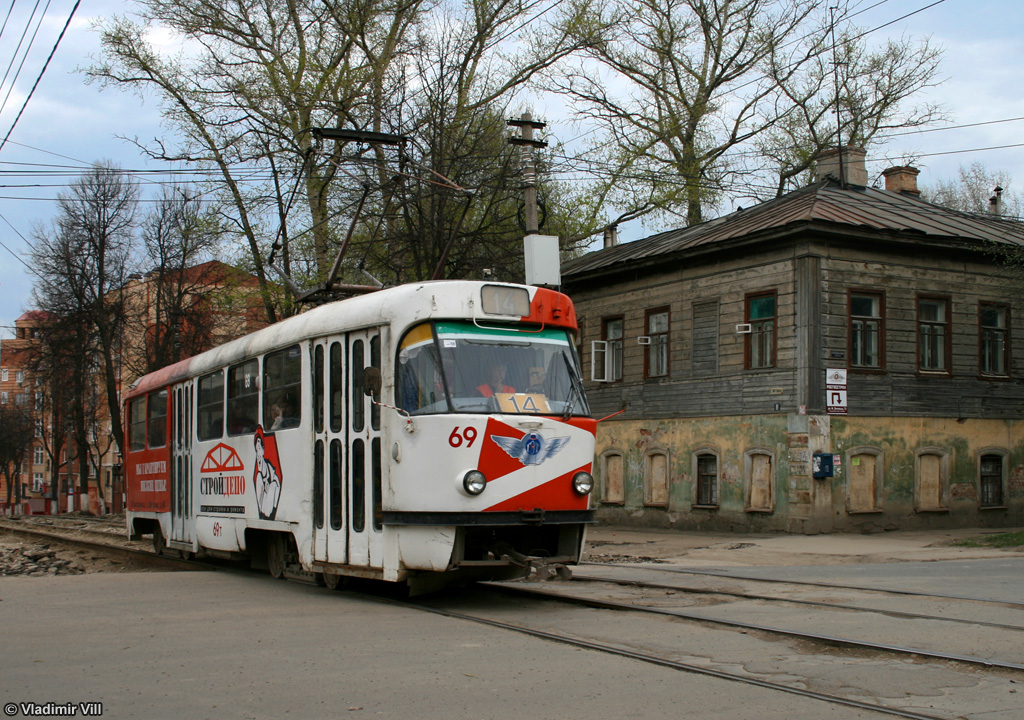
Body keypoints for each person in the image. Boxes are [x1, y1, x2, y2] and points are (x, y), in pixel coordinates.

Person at [253, 427, 281, 521]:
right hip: (265, 507)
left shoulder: (270, 469)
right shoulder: (259, 476)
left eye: (259, 448)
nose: (258, 453)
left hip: (269, 506)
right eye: (257, 449)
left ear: (263, 449)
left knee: (273, 484)